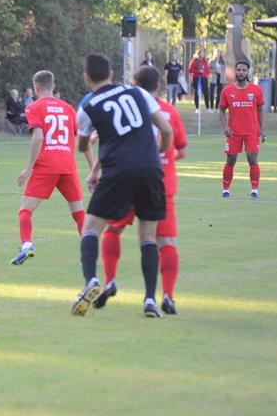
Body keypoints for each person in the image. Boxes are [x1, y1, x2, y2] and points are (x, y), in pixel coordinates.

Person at [72, 53, 173, 318]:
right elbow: (166, 130)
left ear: (86, 77)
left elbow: (82, 145)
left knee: (91, 228)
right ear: (112, 74)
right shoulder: (138, 93)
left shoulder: (88, 107)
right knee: (148, 237)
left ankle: (91, 280)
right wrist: (157, 154)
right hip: (151, 169)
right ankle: (150, 299)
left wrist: (93, 147)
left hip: (118, 171)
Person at [93, 66, 187, 315]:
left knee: (112, 229)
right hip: (160, 184)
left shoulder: (127, 108)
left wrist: (95, 169)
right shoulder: (170, 112)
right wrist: (163, 157)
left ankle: (110, 280)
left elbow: (111, 142)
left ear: (134, 84)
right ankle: (166, 295)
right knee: (164, 242)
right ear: (158, 86)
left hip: (125, 181)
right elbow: (182, 150)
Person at [11, 71, 85, 266]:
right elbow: (79, 139)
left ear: (36, 88)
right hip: (68, 165)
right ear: (53, 86)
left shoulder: (34, 107)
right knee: (78, 212)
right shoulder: (69, 108)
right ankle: (90, 252)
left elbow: (38, 136)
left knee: (25, 211)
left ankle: (27, 245)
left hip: (46, 166)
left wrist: (28, 168)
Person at [218, 60, 265, 200]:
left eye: (244, 70)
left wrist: (262, 129)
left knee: (252, 158)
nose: (241, 72)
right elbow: (221, 110)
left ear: (247, 72)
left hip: (251, 131)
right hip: (234, 132)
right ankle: (226, 189)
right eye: (238, 70)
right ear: (235, 71)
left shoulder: (256, 90)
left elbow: (260, 109)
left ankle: (254, 190)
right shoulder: (227, 91)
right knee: (231, 160)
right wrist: (225, 127)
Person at [188, 48, 210, 113]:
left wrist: (205, 73)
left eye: (203, 53)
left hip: (204, 78)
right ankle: (197, 108)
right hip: (197, 78)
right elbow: (190, 70)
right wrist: (198, 71)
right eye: (201, 53)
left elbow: (207, 70)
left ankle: (207, 108)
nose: (203, 54)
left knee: (206, 93)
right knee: (197, 93)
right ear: (198, 54)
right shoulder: (194, 61)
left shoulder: (204, 61)